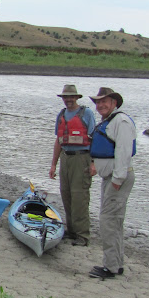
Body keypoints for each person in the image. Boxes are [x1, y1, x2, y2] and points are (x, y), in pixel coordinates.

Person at [87, 87, 137, 279]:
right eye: (98, 102)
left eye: (104, 101)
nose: (100, 105)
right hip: (110, 177)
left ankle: (110, 267)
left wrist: (117, 179)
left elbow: (124, 152)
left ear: (114, 103)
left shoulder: (121, 122)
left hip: (118, 179)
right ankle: (116, 263)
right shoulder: (109, 121)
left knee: (108, 221)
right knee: (114, 222)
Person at [48, 84, 96, 246]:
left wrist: (93, 163)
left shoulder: (86, 113)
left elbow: (94, 138)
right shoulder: (61, 115)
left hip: (81, 158)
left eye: (71, 97)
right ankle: (72, 230)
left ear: (76, 98)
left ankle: (83, 235)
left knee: (79, 196)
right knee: (66, 194)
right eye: (65, 97)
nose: (68, 100)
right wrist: (53, 165)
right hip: (66, 158)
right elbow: (58, 141)